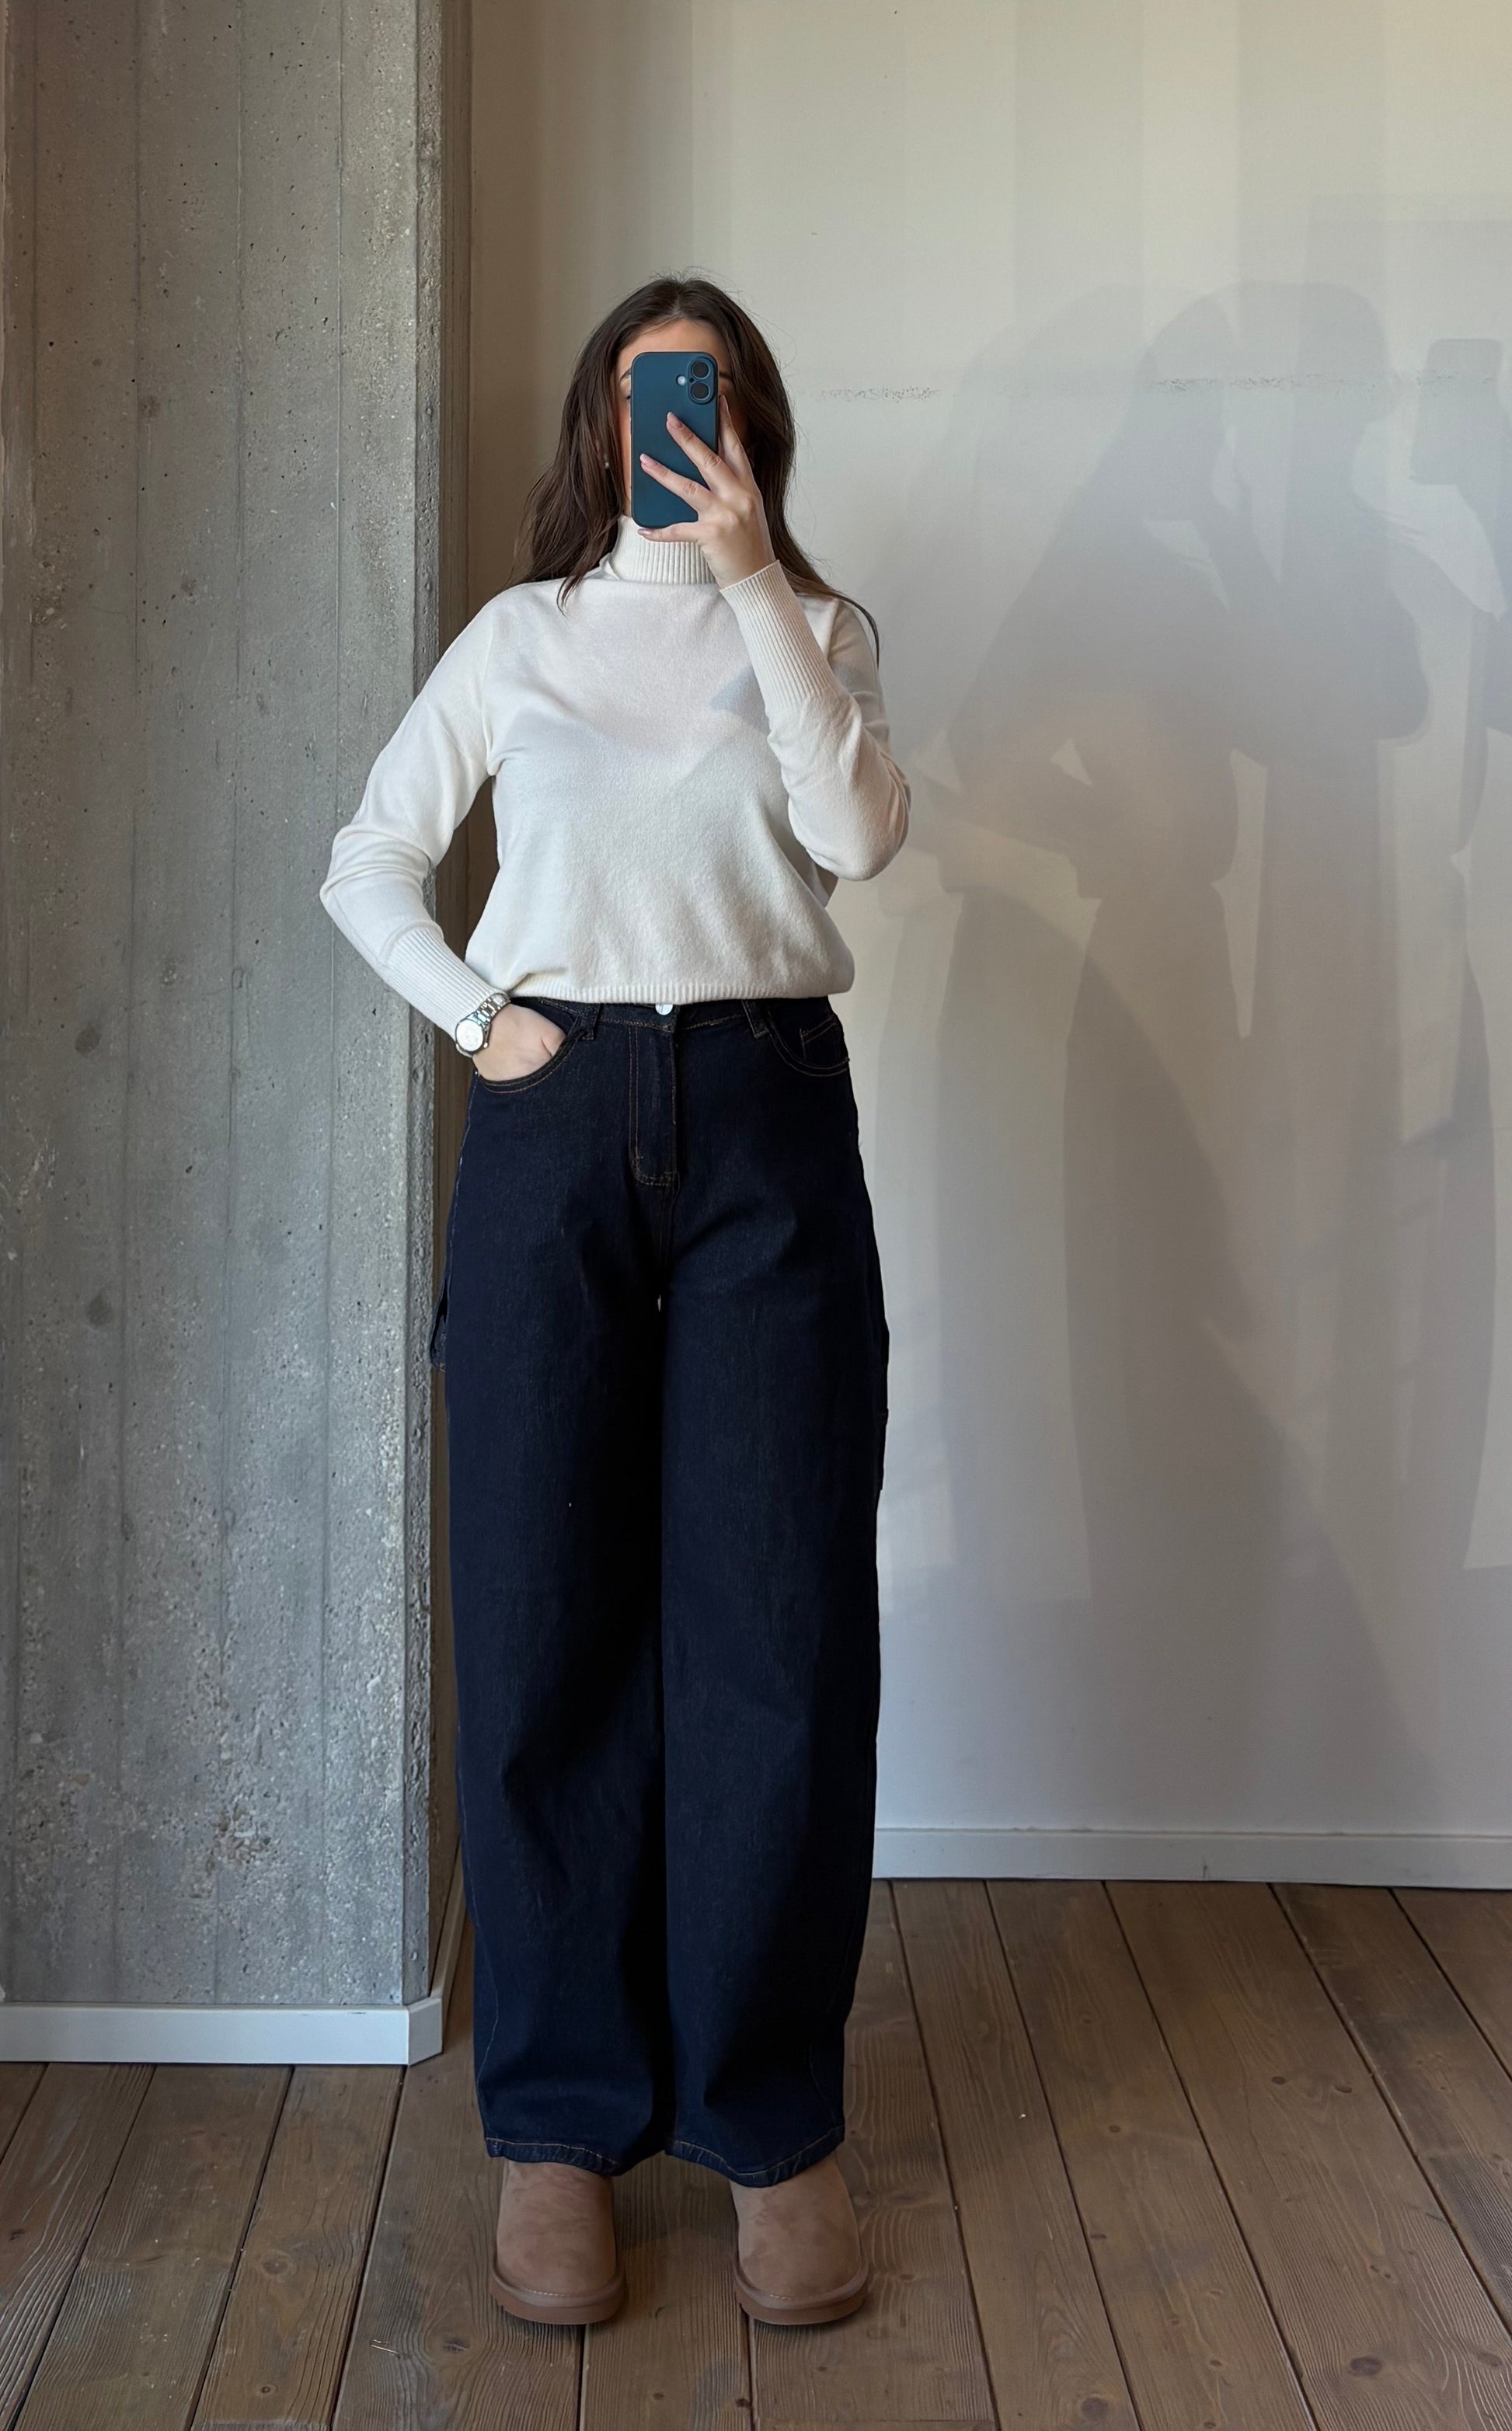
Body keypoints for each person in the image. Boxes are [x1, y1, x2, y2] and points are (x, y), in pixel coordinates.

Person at [319, 273, 908, 2329]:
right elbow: (367, 861)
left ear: (753, 422)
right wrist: (478, 1016)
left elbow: (860, 837)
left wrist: (753, 584)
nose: (684, 421)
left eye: (715, 392)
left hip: (763, 1115)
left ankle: (772, 2130)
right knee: (543, 1617)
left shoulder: (816, 631)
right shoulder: (520, 639)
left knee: (777, 1628)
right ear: (603, 422)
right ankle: (559, 2130)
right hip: (555, 1121)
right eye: (657, 392)